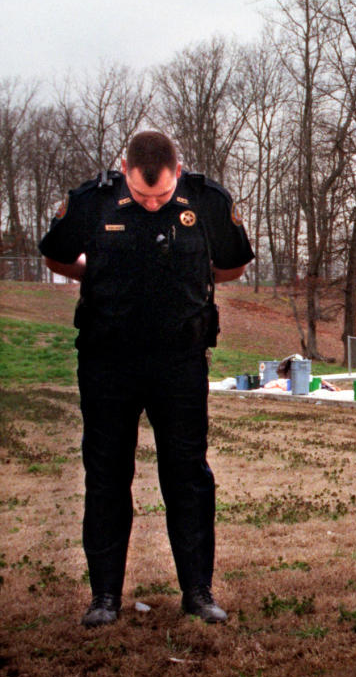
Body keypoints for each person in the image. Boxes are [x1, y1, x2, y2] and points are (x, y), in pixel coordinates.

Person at [38, 130, 254, 628]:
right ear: (123, 170)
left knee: (187, 475)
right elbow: (54, 254)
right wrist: (90, 272)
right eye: (141, 195)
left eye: (160, 195)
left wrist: (192, 274)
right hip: (108, 359)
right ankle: (104, 597)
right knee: (107, 474)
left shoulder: (207, 201)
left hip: (180, 359)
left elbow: (234, 264)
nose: (152, 203)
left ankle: (198, 592)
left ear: (178, 171)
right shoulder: (92, 203)